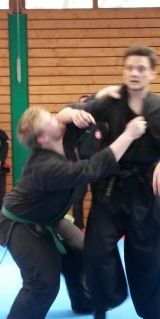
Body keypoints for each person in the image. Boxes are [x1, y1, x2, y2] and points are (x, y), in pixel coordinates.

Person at [58, 44, 160, 319]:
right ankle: (100, 316)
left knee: (150, 260)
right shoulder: (109, 103)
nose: (134, 73)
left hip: (147, 193)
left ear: (152, 73)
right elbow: (67, 112)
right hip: (110, 190)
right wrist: (77, 111)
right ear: (123, 70)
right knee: (97, 252)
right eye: (129, 67)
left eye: (141, 68)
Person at [0, 105, 147, 319]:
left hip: (50, 218)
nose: (57, 120)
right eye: (51, 120)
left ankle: (82, 303)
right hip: (19, 223)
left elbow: (72, 115)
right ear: (43, 138)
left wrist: (69, 111)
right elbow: (92, 169)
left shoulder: (60, 139)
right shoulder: (45, 165)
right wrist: (129, 135)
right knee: (44, 281)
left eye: (54, 115)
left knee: (85, 252)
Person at [71, 95, 108, 229]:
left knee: (99, 197)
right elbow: (69, 145)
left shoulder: (100, 124)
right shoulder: (74, 125)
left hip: (97, 165)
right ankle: (78, 226)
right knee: (77, 197)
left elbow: (106, 144)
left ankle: (98, 226)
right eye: (81, 104)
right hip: (80, 165)